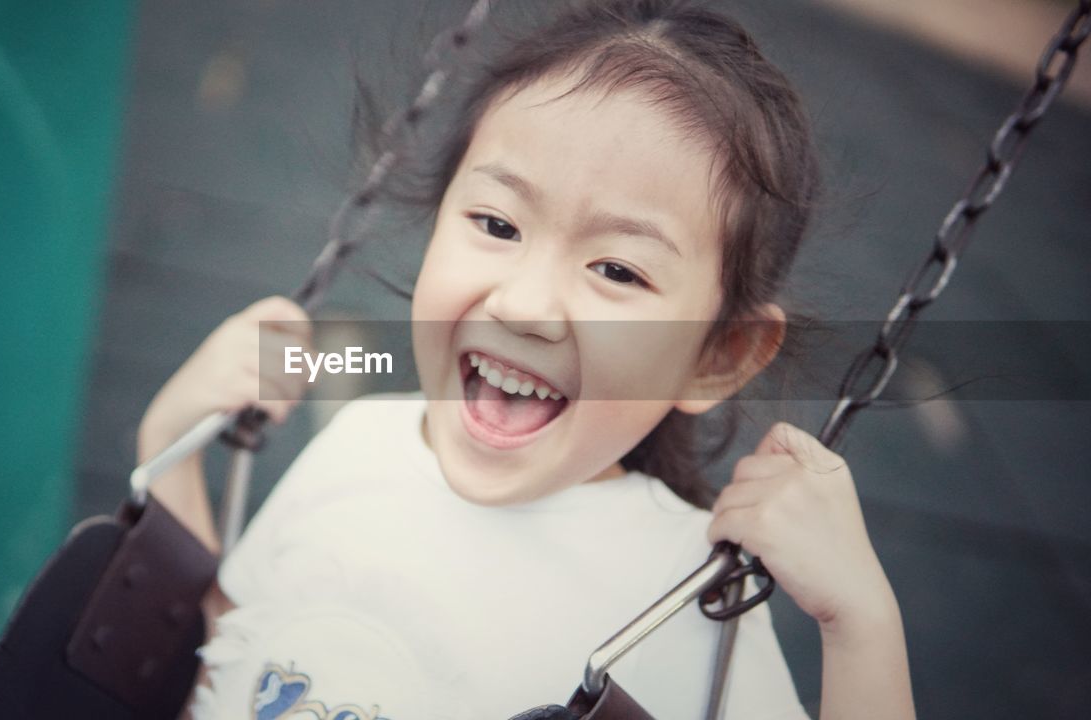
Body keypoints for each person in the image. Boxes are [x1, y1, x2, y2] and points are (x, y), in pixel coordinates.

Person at [136, 1, 917, 718]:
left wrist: (862, 628)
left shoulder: (687, 593)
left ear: (716, 357)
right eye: (498, 224)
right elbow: (229, 659)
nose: (523, 305)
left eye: (618, 270)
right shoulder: (360, 439)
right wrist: (169, 444)